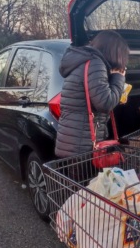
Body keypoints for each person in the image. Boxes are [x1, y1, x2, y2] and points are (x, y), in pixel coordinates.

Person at [55, 31, 129, 176]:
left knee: (78, 193)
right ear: (114, 52)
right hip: (83, 147)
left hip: (73, 143)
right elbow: (105, 103)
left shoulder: (83, 61)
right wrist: (118, 78)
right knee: (86, 192)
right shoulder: (96, 63)